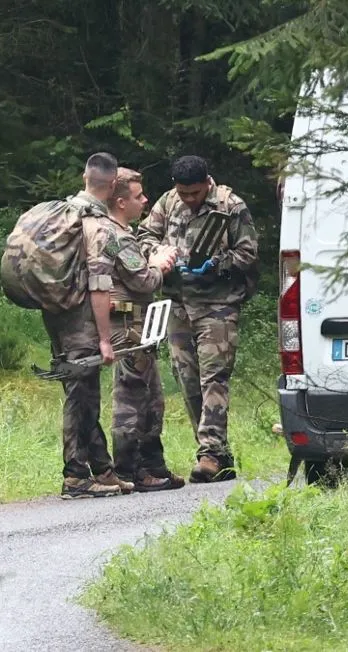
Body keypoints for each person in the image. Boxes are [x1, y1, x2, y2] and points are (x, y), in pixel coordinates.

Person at [138, 155, 259, 483]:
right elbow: (144, 237)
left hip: (218, 305)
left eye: (194, 193)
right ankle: (219, 453)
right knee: (187, 379)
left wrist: (217, 264)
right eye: (184, 193)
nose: (189, 200)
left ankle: (209, 454)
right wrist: (162, 256)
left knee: (214, 377)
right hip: (178, 304)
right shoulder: (168, 202)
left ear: (207, 183)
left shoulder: (230, 206)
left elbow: (248, 252)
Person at [43, 152, 136, 499]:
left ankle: (102, 469)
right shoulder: (100, 227)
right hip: (81, 318)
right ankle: (75, 476)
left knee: (81, 391)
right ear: (113, 186)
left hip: (55, 313)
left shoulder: (60, 214)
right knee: (81, 396)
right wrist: (105, 339)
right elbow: (100, 287)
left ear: (84, 177)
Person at [102, 167, 182, 491]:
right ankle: (128, 468)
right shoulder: (118, 236)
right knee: (131, 398)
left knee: (152, 397)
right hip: (128, 326)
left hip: (139, 324)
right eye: (138, 196)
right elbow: (144, 280)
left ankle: (152, 465)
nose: (145, 200)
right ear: (121, 202)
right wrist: (161, 264)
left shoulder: (119, 233)